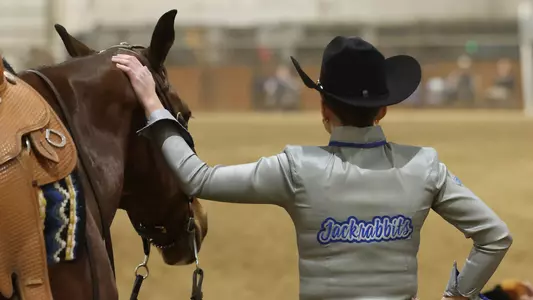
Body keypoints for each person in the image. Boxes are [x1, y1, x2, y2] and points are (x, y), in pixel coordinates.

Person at [111, 36, 513, 300]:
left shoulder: (296, 169)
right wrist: (457, 296)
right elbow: (495, 237)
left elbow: (197, 176)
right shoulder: (425, 166)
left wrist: (154, 104)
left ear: (323, 107)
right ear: (384, 109)